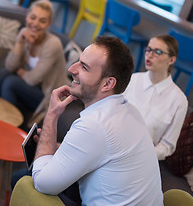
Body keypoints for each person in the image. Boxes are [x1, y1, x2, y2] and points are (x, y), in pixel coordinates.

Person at [32, 36, 163, 205]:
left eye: (84, 68)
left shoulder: (94, 125)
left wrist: (51, 114)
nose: (72, 69)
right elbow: (103, 152)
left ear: (107, 84)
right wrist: (56, 147)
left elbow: (42, 183)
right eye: (79, 62)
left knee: (24, 180)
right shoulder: (130, 110)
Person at [0, 0, 69, 127]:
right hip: (32, 87)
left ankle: (9, 128)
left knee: (11, 82)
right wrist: (20, 43)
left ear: (49, 24)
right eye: (33, 17)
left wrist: (19, 72)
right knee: (1, 74)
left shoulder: (52, 44)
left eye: (42, 21)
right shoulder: (24, 33)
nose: (35, 24)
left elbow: (33, 79)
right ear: (27, 16)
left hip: (48, 95)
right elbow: (9, 66)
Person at [123, 35, 188, 161]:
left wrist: (143, 156)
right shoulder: (133, 80)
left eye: (158, 52)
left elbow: (167, 146)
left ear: (172, 60)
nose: (150, 55)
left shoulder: (179, 101)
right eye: (148, 50)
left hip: (141, 158)